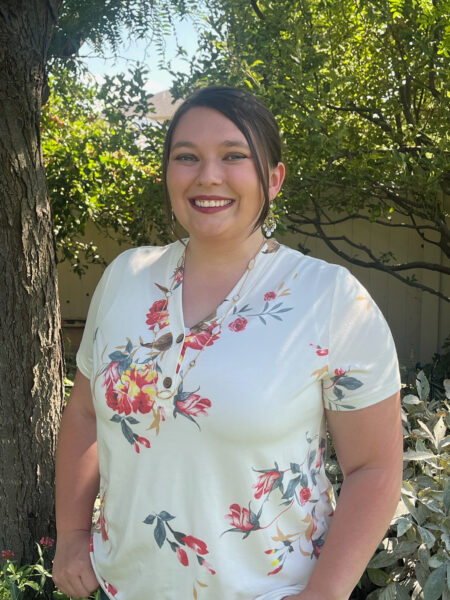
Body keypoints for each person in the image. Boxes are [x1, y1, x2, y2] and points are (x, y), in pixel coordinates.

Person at [53, 86, 403, 600]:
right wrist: (72, 535)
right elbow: (84, 413)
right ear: (168, 174)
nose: (208, 175)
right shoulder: (126, 276)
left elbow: (374, 468)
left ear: (274, 179)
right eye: (186, 157)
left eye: (234, 155)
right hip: (121, 586)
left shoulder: (329, 300)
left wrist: (323, 595)